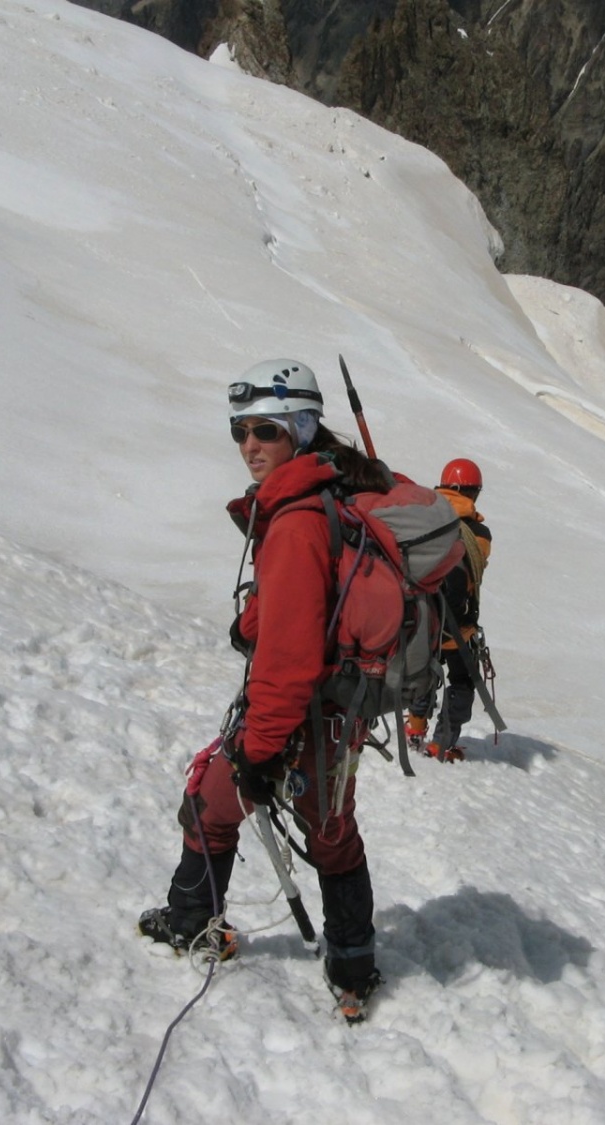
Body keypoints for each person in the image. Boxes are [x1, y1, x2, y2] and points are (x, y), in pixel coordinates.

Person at [138, 358, 391, 1022]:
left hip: (298, 713)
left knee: (210, 795)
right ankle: (354, 964)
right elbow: (307, 607)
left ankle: (192, 918)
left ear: (302, 430)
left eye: (265, 431)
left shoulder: (296, 520)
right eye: (240, 431)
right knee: (334, 833)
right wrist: (256, 617)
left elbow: (288, 658)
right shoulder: (325, 496)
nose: (249, 444)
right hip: (341, 712)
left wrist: (258, 747)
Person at [406, 457, 492, 763]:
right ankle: (441, 743)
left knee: (423, 672)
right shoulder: (480, 535)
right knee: (462, 680)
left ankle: (414, 726)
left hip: (419, 619)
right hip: (458, 626)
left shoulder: (422, 518)